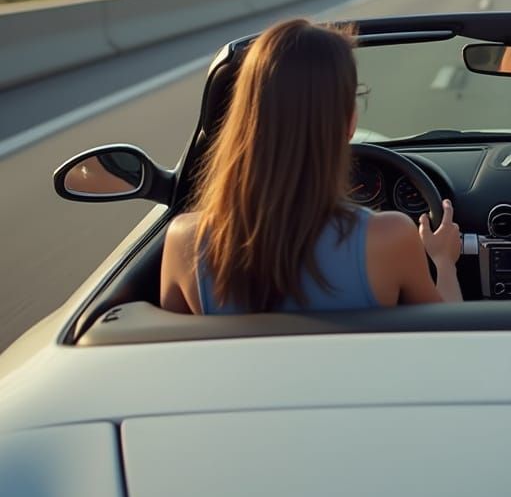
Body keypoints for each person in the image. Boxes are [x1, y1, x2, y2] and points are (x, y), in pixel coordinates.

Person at [160, 18, 462, 314]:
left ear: (243, 117)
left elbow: (171, 350)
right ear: (348, 122)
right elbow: (452, 339)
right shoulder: (391, 236)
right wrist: (444, 261)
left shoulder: (185, 242)